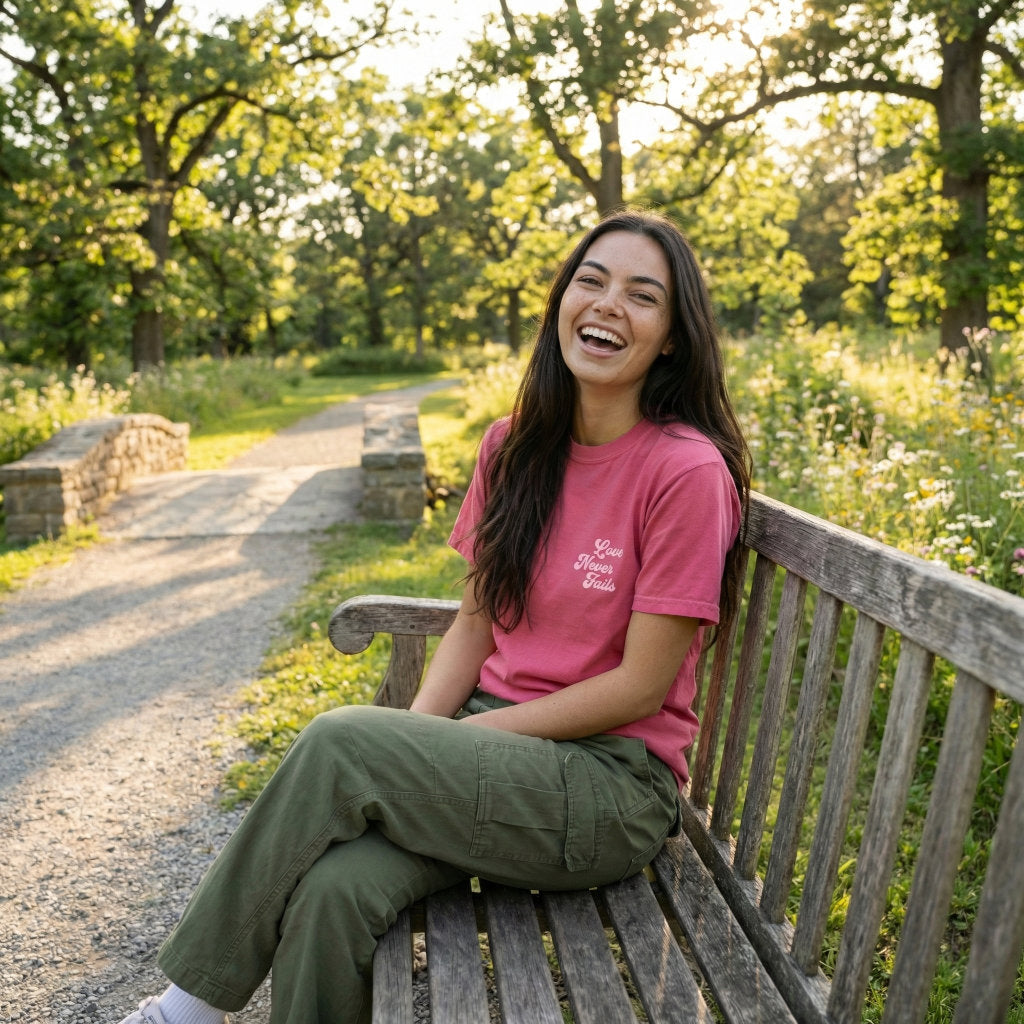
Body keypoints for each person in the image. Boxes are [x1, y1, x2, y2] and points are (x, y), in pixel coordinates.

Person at [117, 208, 751, 1024]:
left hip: (607, 787)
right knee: (332, 892)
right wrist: (421, 746)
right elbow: (476, 625)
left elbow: (638, 688)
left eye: (641, 295)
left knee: (343, 738)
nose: (606, 305)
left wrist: (434, 748)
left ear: (670, 337)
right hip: (496, 759)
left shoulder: (685, 471)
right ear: (561, 300)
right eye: (590, 281)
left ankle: (185, 1011)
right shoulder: (513, 446)